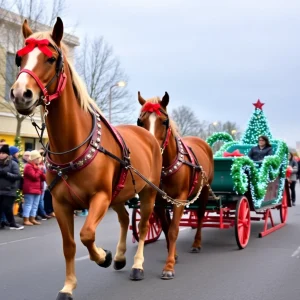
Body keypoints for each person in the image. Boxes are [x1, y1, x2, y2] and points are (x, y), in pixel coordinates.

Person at [0, 144, 24, 230]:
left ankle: (12, 223)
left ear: (8, 154)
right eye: (0, 153)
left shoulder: (13, 163)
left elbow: (17, 176)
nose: (1, 154)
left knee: (7, 207)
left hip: (9, 190)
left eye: (3, 153)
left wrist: (6, 174)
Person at [22, 150, 46, 226]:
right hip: (30, 189)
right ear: (34, 158)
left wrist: (41, 171)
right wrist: (39, 170)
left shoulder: (36, 166)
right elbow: (34, 176)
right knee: (28, 204)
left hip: (37, 189)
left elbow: (43, 178)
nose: (39, 160)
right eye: (38, 158)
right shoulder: (28, 166)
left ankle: (32, 218)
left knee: (35, 205)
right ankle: (26, 219)